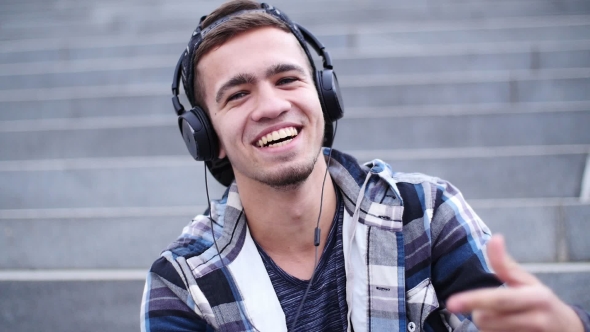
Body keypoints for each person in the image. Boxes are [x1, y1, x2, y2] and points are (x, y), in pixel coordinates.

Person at [140, 1, 590, 331]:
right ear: (206, 137)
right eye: (238, 94)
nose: (272, 106)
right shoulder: (181, 282)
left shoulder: (427, 213)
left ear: (324, 96)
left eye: (287, 79)